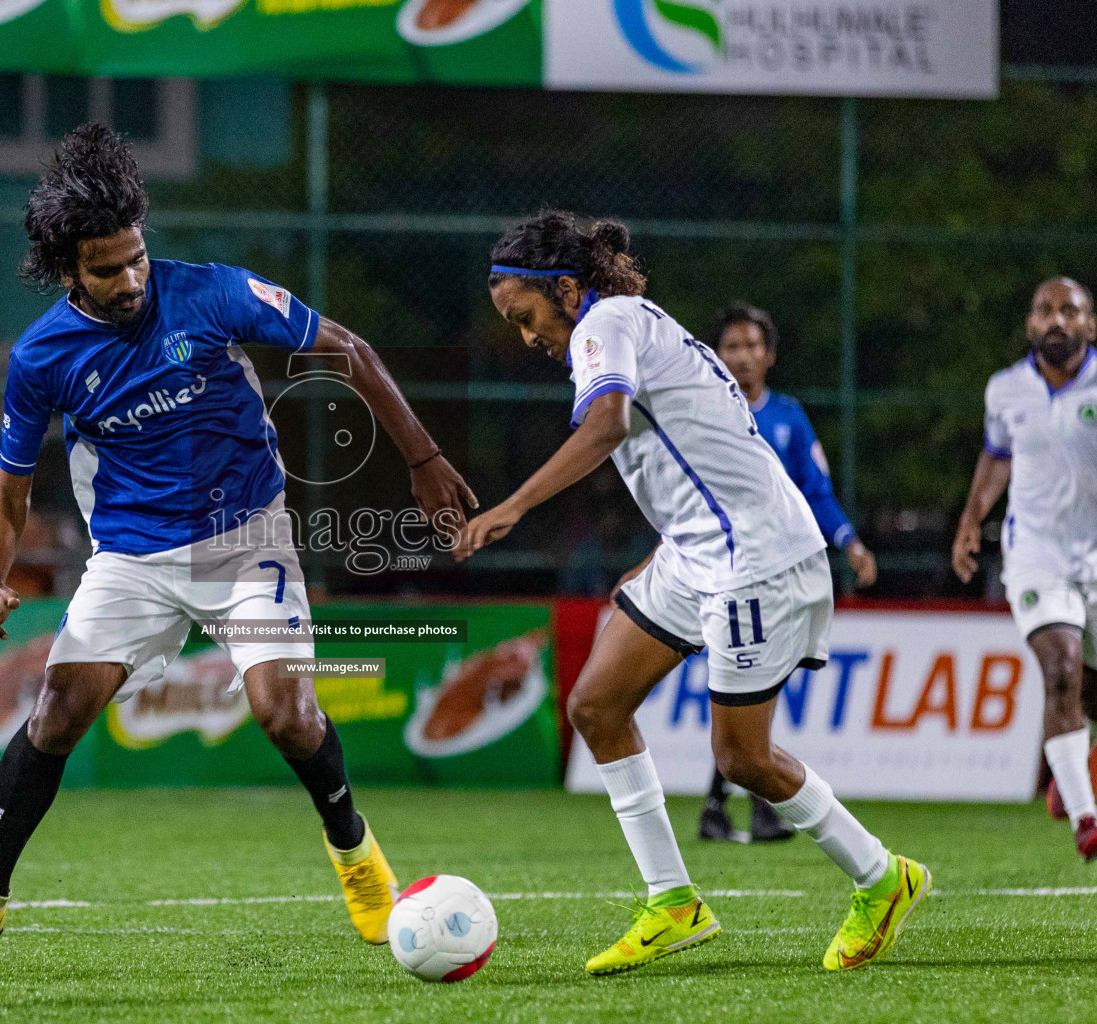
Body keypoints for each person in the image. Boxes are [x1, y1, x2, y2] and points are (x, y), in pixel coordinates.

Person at [0, 124, 476, 962]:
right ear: (70, 269)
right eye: (108, 268)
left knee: (286, 714)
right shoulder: (41, 357)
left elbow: (347, 349)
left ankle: (356, 856)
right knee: (56, 714)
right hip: (133, 557)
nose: (131, 277)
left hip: (249, 541)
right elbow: (12, 489)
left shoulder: (212, 293)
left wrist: (422, 460)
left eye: (137, 257)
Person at [457, 210, 928, 975]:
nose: (524, 336)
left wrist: (513, 506)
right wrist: (660, 555)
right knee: (595, 707)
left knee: (742, 760)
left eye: (525, 317)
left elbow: (606, 424)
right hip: (698, 552)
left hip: (756, 561)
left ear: (565, 290)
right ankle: (673, 901)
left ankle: (883, 878)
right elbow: (696, 453)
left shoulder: (601, 326)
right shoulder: (630, 319)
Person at [690, 302, 879, 843]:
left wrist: (850, 541)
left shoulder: (788, 417)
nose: (743, 357)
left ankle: (726, 805)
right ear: (714, 356)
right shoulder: (703, 415)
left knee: (751, 685)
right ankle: (745, 805)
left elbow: (815, 490)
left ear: (768, 355)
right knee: (746, 682)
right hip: (722, 571)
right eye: (731, 347)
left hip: (779, 574)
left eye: (752, 346)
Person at [952, 276, 1097, 862]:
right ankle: (1088, 818)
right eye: (1045, 310)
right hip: (1035, 554)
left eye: (1070, 310)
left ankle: (1071, 767)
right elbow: (996, 455)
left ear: (1090, 324)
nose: (1056, 320)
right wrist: (971, 518)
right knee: (1059, 669)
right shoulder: (1006, 389)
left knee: (1088, 690)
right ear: (1030, 323)